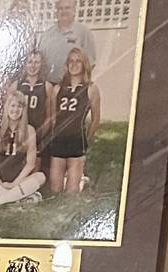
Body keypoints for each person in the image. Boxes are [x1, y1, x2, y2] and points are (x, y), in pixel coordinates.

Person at [0, 88, 44, 203]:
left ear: (23, 110)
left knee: (40, 177)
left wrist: (14, 184)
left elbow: (30, 164)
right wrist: (0, 183)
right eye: (12, 105)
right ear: (6, 107)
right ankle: (18, 198)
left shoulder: (29, 130)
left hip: (19, 179)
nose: (15, 109)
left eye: (19, 106)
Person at [47, 45, 97, 194]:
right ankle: (74, 178)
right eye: (71, 61)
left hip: (77, 140)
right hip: (59, 140)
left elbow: (95, 119)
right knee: (55, 189)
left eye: (78, 61)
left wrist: (87, 139)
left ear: (84, 64)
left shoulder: (91, 89)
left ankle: (79, 180)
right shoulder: (57, 89)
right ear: (67, 64)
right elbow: (52, 118)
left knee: (71, 191)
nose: (74, 65)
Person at [37, 0, 94, 84]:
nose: (64, 11)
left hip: (74, 87)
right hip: (50, 86)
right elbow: (40, 62)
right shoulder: (47, 35)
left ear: (74, 11)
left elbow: (91, 62)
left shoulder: (83, 33)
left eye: (67, 8)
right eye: (60, 8)